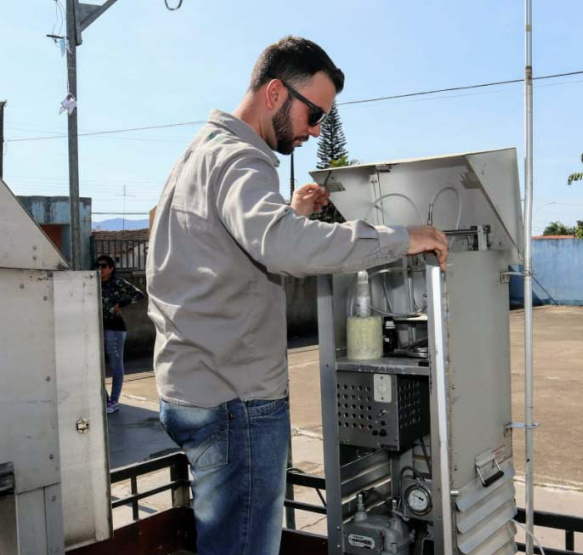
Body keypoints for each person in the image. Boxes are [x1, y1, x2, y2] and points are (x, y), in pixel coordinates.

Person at [146, 36, 448, 555]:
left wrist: (291, 213)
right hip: (234, 401)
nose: (316, 131)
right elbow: (282, 247)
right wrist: (403, 238)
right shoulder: (242, 157)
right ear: (274, 93)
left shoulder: (202, 152)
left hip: (191, 390)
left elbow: (221, 251)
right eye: (314, 114)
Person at [96, 254, 146, 414]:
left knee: (115, 364)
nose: (100, 269)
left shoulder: (117, 283)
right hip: (97, 327)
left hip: (114, 328)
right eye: (98, 265)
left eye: (104, 266)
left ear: (111, 269)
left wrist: (121, 304)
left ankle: (114, 401)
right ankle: (104, 400)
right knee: (96, 365)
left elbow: (139, 294)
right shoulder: (92, 283)